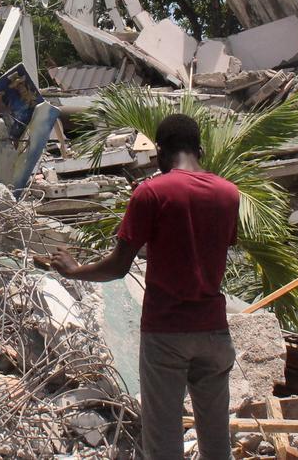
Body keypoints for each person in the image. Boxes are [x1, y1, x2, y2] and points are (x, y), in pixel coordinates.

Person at [51, 114, 239, 459]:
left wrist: (75, 270)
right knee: (216, 441)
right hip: (214, 332)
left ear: (161, 152)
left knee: (163, 442)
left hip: (166, 332)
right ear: (200, 149)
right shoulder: (229, 194)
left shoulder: (151, 192)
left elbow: (119, 267)